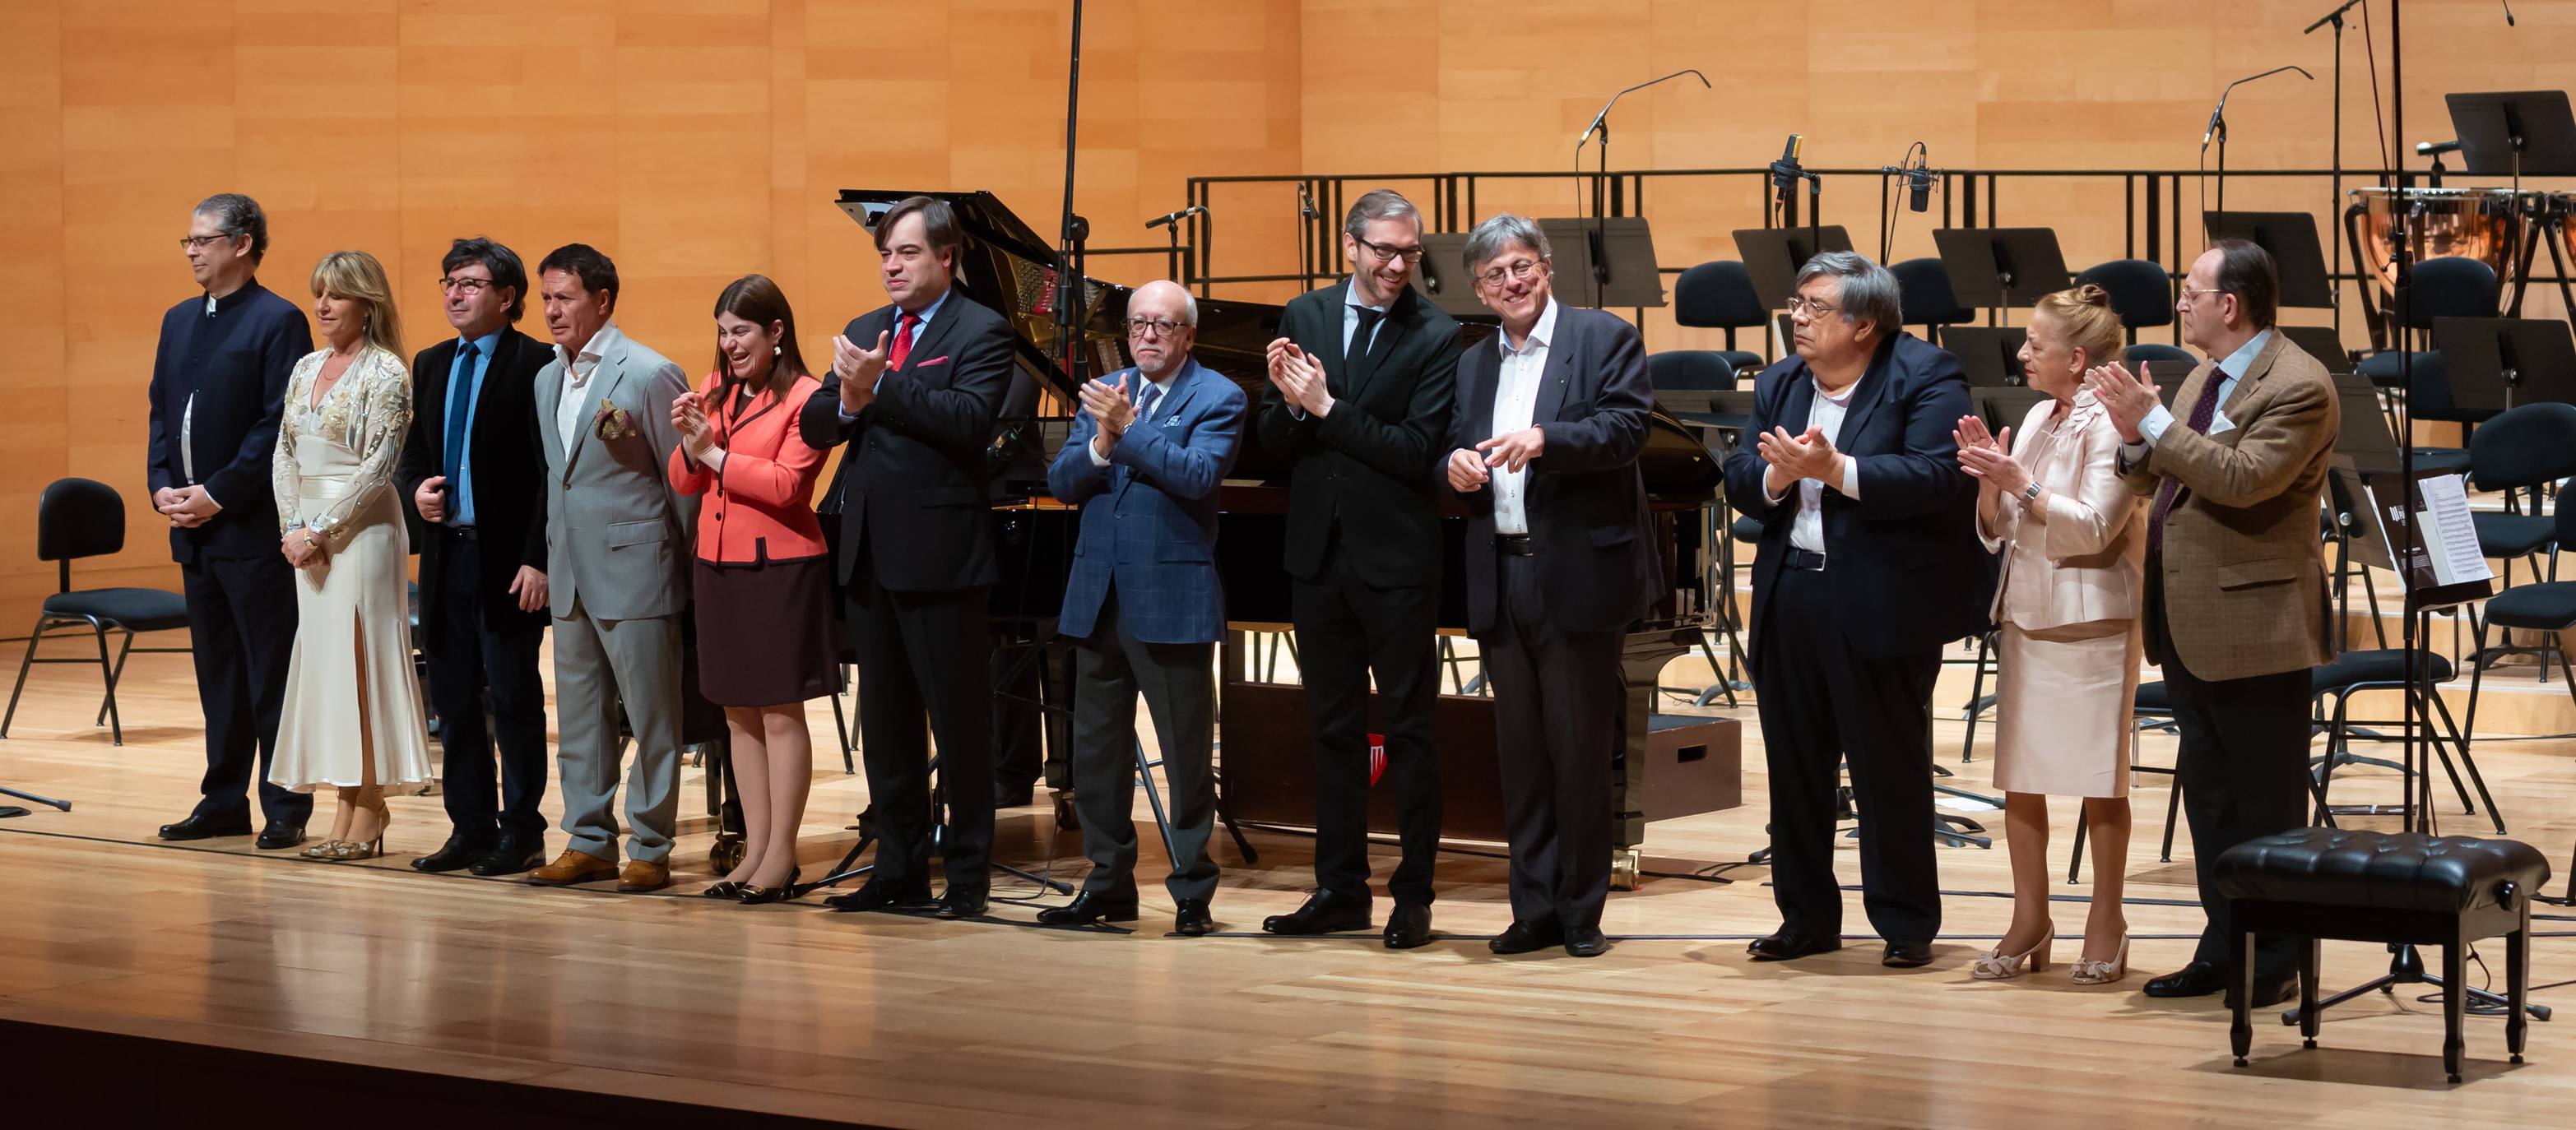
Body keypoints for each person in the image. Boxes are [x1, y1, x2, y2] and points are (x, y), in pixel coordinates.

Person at [1720, 250, 1991, 970]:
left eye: (1814, 308)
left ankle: (1904, 922)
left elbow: (1938, 477)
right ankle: (1805, 918)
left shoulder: (1923, 373)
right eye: (1796, 304)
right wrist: (1778, 474)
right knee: (1795, 765)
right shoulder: (1779, 382)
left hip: (1880, 598)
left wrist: (1834, 470)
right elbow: (1741, 478)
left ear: (1864, 324)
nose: (1796, 318)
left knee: (1886, 766)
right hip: (1790, 592)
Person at [2089, 239, 2337, 1007]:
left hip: (2257, 626)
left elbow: (2239, 479)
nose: (2181, 301)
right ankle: (2223, 943)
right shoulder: (2207, 372)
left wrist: (2154, 422)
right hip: (2190, 619)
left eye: (2191, 289)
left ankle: (2273, 961)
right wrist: (2135, 434)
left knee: (2265, 807)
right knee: (2211, 801)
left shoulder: (2297, 384)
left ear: (2229, 304)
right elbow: (2152, 471)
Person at [1438, 216, 1659, 960]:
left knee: (1577, 751)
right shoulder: (1472, 364)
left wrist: (1545, 440)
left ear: (1547, 268)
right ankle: (1530, 908)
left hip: (1576, 576)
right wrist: (1454, 469)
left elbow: (1628, 428)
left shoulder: (1602, 339)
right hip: (1500, 573)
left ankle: (1580, 912)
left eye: (1522, 266)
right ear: (1478, 289)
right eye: (1495, 274)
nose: (1513, 282)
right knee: (1522, 757)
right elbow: (1450, 446)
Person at [1256, 189, 1464, 950]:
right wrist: (1288, 402)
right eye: (1382, 249)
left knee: (1409, 730)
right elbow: (1275, 440)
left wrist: (1323, 407)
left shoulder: (1436, 334)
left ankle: (1413, 895)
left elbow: (1414, 450)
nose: (1396, 264)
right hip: (1318, 553)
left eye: (1408, 252)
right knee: (1333, 729)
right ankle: (1340, 888)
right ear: (1350, 247)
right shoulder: (1305, 316)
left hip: (1397, 558)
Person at [799, 196, 1014, 920]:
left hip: (942, 556)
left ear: (946, 257)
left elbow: (969, 421)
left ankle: (967, 879)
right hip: (867, 553)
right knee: (886, 725)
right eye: (886, 253)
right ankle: (898, 868)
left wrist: (880, 386)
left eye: (908, 252)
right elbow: (817, 420)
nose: (892, 264)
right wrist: (853, 401)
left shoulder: (981, 329)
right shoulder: (866, 329)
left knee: (957, 725)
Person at [1035, 280, 1246, 937]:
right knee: (1096, 752)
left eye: (1162, 324)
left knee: (1184, 754)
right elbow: (1063, 481)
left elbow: (1196, 476)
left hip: (1172, 598)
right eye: (1136, 324)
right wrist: (1099, 441)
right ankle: (1107, 884)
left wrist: (1126, 430)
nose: (1147, 335)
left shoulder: (1218, 396)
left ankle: (1192, 891)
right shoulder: (1105, 392)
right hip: (1097, 597)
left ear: (1187, 335)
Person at [1950, 285, 2144, 984]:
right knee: (2021, 778)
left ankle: (2106, 918)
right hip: (2026, 612)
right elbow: (2002, 527)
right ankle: (2029, 914)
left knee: (2099, 779)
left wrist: (2019, 484)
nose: (2022, 352)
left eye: (2035, 344)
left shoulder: (2115, 421)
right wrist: (1988, 486)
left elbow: (2096, 525)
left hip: (2092, 618)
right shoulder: (2036, 415)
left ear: (2078, 356)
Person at [525, 243, 695, 894]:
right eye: (545, 298)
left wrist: (684, 571)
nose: (551, 311)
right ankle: (588, 839)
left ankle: (650, 844)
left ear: (602, 301)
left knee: (653, 715)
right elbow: (558, 480)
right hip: (570, 571)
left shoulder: (650, 372)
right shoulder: (545, 378)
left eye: (563, 297)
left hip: (637, 570)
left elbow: (682, 481)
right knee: (580, 717)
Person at [149, 193, 315, 850]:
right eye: (187, 241)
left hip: (249, 526)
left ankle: (284, 803)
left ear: (242, 243)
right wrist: (163, 486)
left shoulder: (279, 320)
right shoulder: (177, 319)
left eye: (203, 240)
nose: (192, 251)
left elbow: (277, 425)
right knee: (217, 671)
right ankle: (222, 799)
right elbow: (162, 413)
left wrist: (216, 492)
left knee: (269, 670)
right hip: (193, 528)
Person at [265, 250, 437, 858]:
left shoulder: (386, 371)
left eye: (336, 295)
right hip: (305, 534)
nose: (322, 306)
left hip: (360, 533)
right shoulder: (306, 365)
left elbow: (379, 467)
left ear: (368, 303)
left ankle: (368, 804)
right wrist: (293, 526)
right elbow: (284, 451)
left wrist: (321, 531)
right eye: (318, 293)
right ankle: (345, 800)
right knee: (327, 667)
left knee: (360, 662)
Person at [668, 275, 833, 904]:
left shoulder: (808, 399)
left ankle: (782, 856)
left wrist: (710, 455)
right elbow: (684, 482)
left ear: (775, 332)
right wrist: (689, 444)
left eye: (740, 331)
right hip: (715, 564)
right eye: (722, 332)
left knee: (779, 711)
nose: (729, 344)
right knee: (736, 712)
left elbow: (784, 485)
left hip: (779, 569)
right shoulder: (714, 391)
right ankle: (754, 850)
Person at [398, 237, 557, 877]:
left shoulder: (538, 364)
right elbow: (414, 452)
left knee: (514, 698)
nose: (454, 294)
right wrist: (417, 491)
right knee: (455, 700)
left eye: (468, 283)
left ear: (507, 296)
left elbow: (551, 473)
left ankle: (522, 830)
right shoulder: (432, 362)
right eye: (448, 282)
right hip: (446, 557)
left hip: (508, 563)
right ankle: (469, 826)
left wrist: (537, 558)